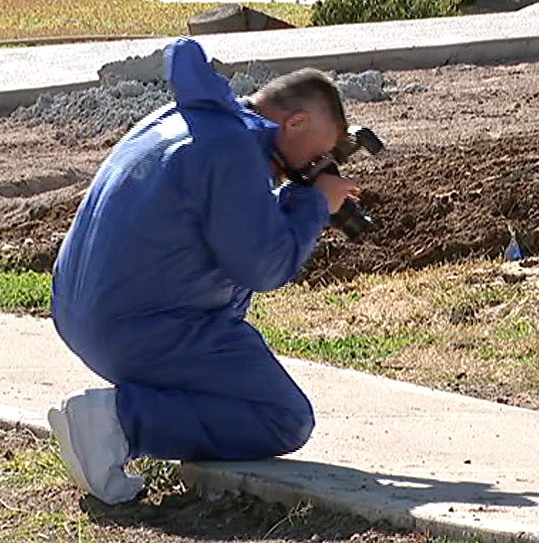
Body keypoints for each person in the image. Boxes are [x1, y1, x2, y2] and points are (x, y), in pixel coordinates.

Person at [47, 37, 360, 505]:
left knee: (242, 383)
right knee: (281, 417)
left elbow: (228, 222)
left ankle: (122, 414)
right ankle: (116, 423)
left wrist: (298, 195)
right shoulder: (234, 149)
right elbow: (262, 265)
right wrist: (316, 203)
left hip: (85, 316)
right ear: (296, 122)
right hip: (144, 327)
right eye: (321, 152)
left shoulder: (192, 121)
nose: (318, 165)